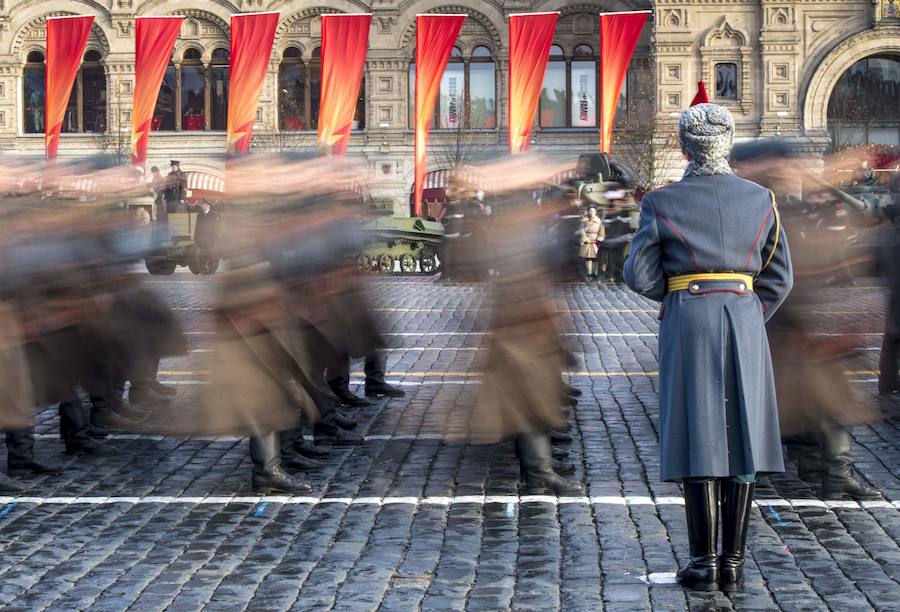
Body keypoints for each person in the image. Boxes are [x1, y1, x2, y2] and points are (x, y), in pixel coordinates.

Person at [624, 104, 793, 593]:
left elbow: (638, 274)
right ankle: (733, 561)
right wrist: (745, 308)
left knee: (697, 431)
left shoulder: (661, 202)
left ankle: (702, 561)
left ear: (684, 147)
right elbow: (779, 275)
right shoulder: (762, 199)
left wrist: (682, 297)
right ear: (730, 143)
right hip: (744, 314)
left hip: (690, 315)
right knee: (742, 431)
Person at [194, 200, 220, 274]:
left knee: (213, 256)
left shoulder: (214, 215)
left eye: (204, 205)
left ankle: (211, 270)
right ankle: (203, 271)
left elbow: (217, 229)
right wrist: (196, 238)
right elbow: (197, 227)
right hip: (202, 240)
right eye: (202, 205)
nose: (203, 206)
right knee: (201, 256)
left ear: (208, 206)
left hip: (210, 240)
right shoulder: (200, 215)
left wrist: (214, 239)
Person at [579, 206, 604, 280]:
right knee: (588, 257)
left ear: (595, 212)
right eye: (590, 211)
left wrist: (599, 238)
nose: (591, 212)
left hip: (595, 240)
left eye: (593, 211)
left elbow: (602, 231)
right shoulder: (585, 221)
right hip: (587, 240)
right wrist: (584, 238)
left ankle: (595, 272)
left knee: (596, 257)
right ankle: (589, 273)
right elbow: (582, 229)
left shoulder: (599, 221)